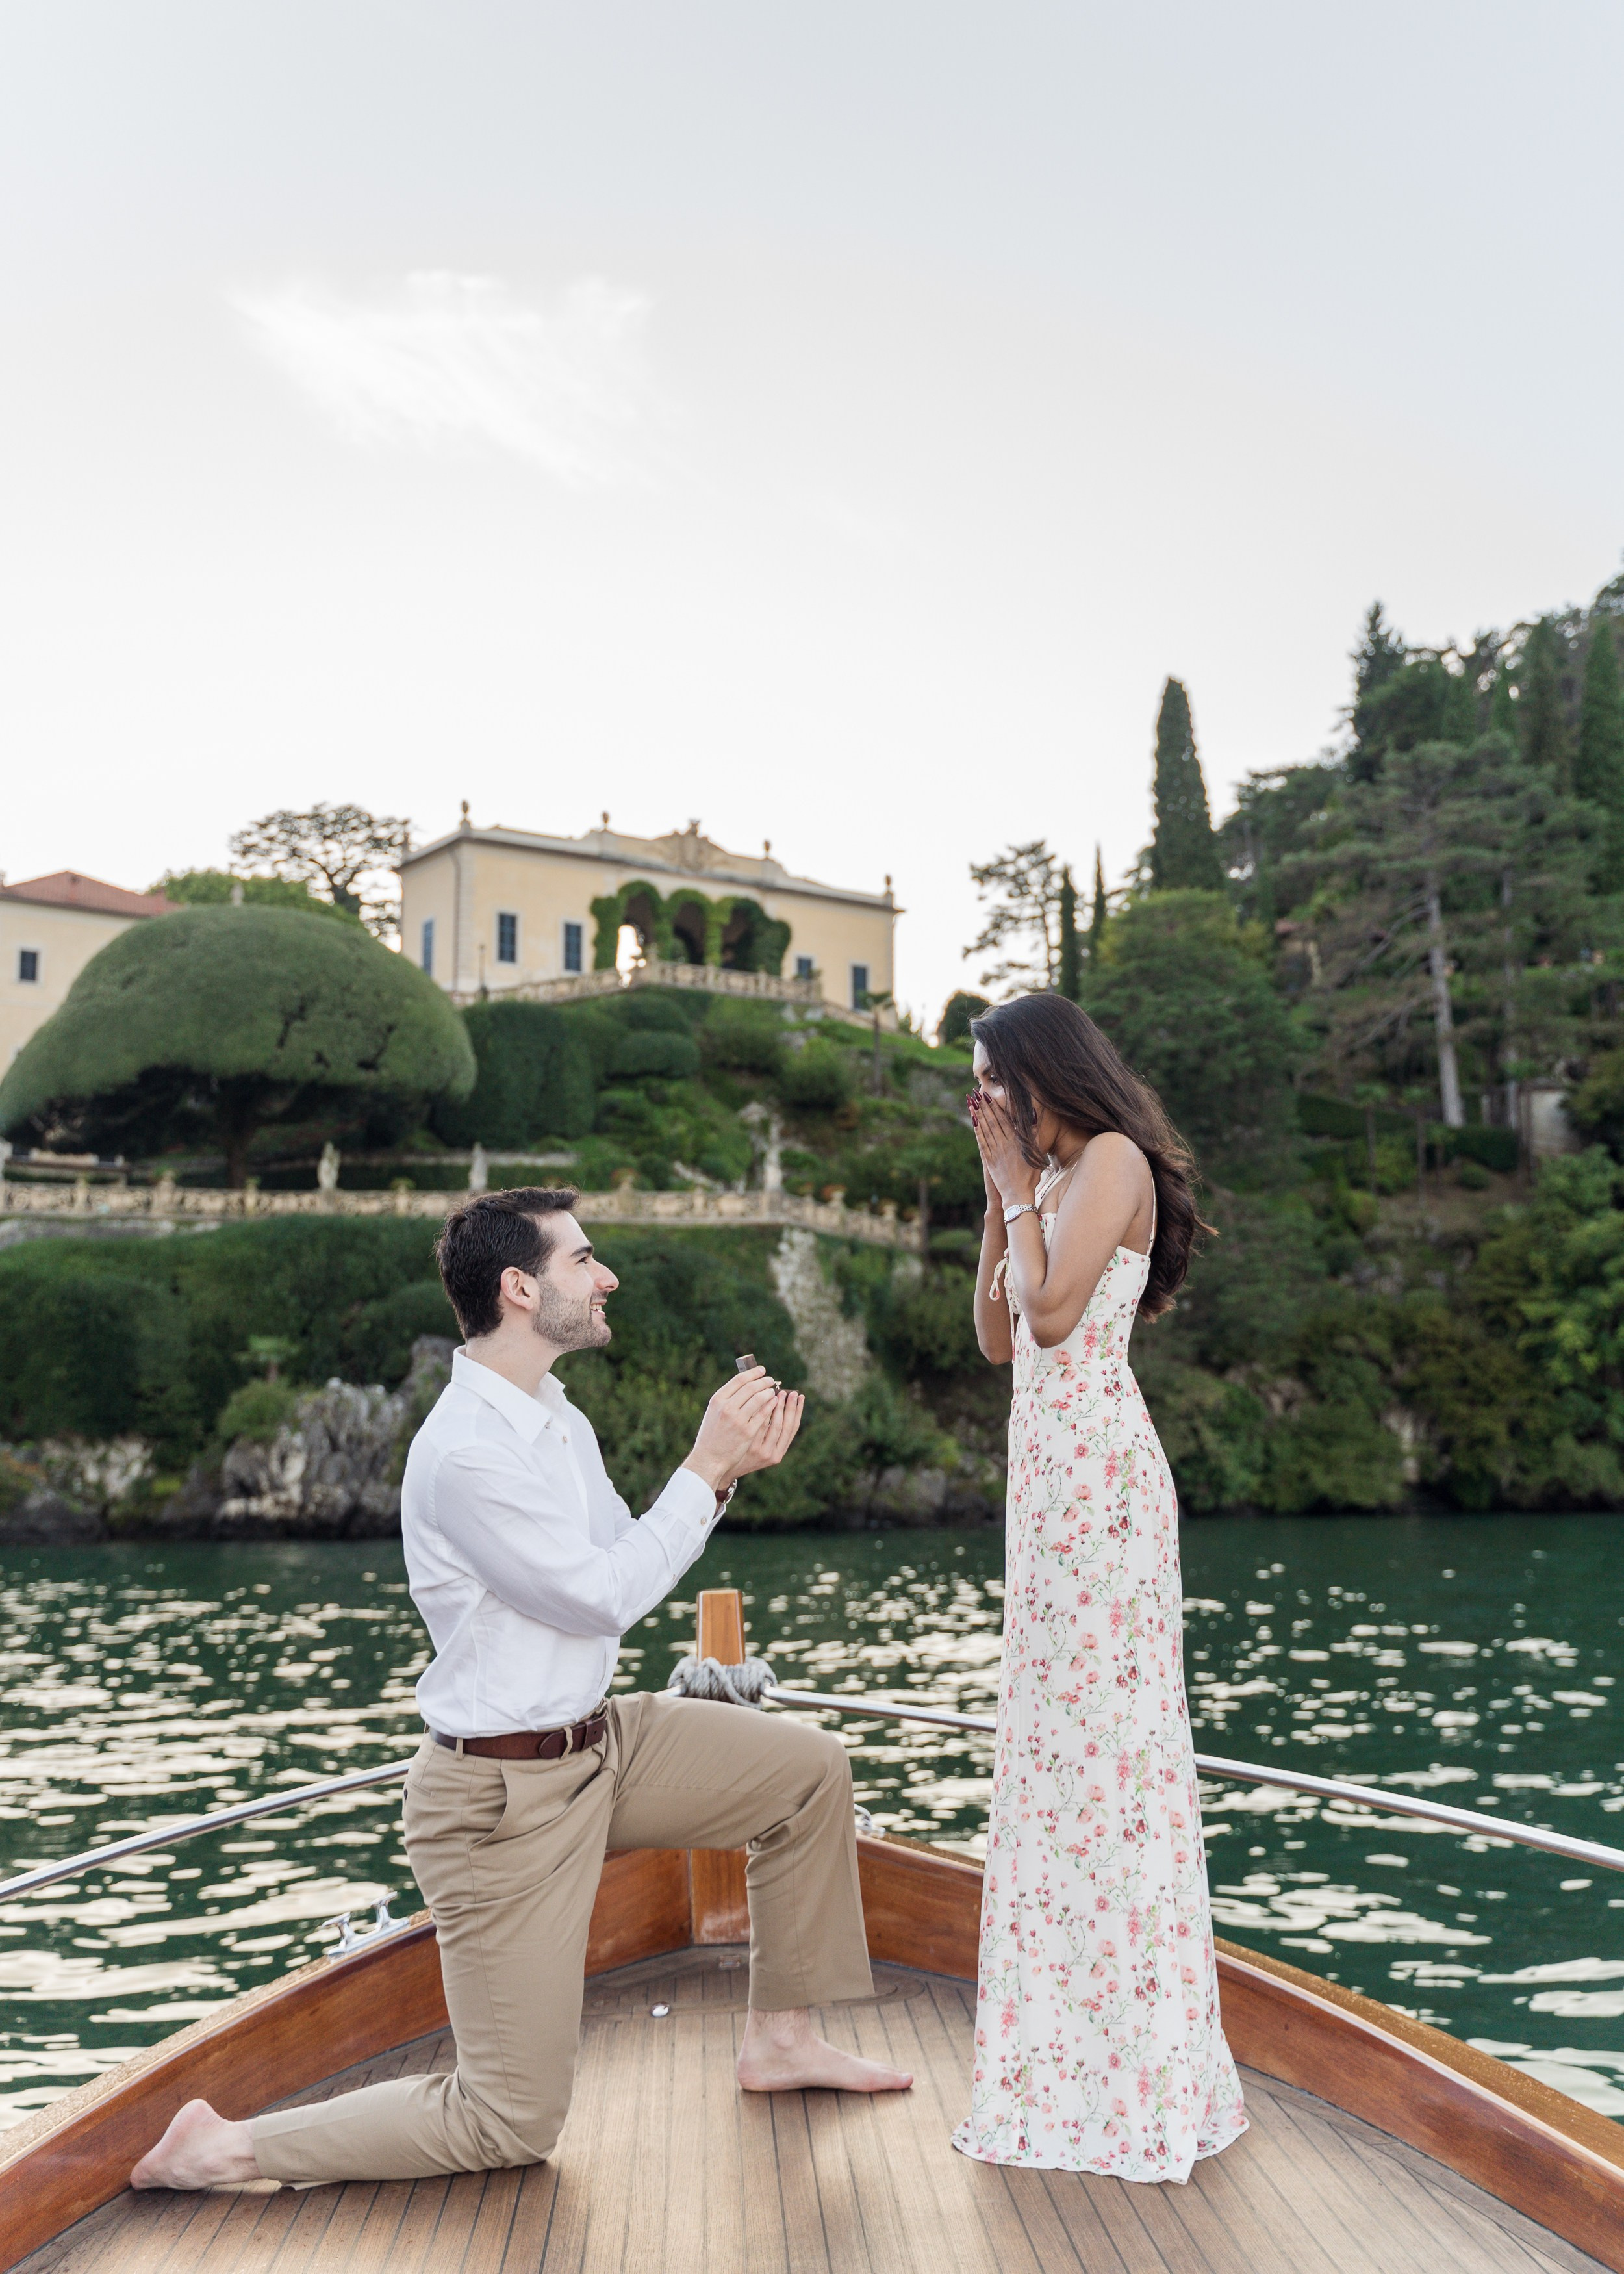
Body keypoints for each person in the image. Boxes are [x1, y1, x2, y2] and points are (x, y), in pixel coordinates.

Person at [133, 1186, 909, 2193]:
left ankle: (784, 2042)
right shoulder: (465, 1455)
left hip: (602, 1746)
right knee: (509, 2120)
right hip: (499, 1804)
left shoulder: (553, 1415)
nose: (608, 1276)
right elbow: (602, 1601)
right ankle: (225, 2147)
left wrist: (718, 1477)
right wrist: (707, 1463)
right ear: (517, 1287)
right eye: (585, 1260)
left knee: (808, 1772)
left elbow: (626, 1554)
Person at [953, 995, 1245, 2181]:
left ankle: (1140, 2074)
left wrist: (1021, 1191)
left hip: (1103, 1489)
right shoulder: (1041, 1185)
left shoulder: (1114, 1161)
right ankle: (1059, 2062)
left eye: (992, 1080)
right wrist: (997, 1200)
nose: (983, 1102)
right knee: (1057, 1753)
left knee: (1114, 1753)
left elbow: (1059, 1314)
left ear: (1042, 1075)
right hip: (1046, 1487)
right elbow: (995, 1339)